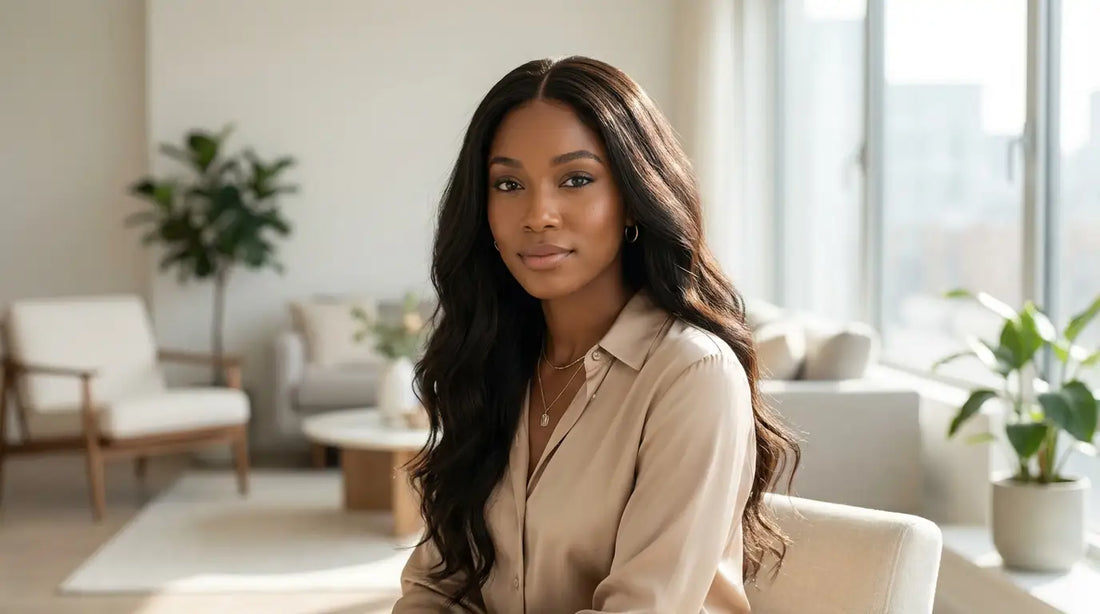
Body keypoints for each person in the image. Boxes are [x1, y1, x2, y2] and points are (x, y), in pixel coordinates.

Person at [392, 56, 800, 613]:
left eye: (576, 179)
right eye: (508, 184)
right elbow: (434, 586)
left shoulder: (691, 373)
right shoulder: (491, 361)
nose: (538, 214)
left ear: (633, 197)